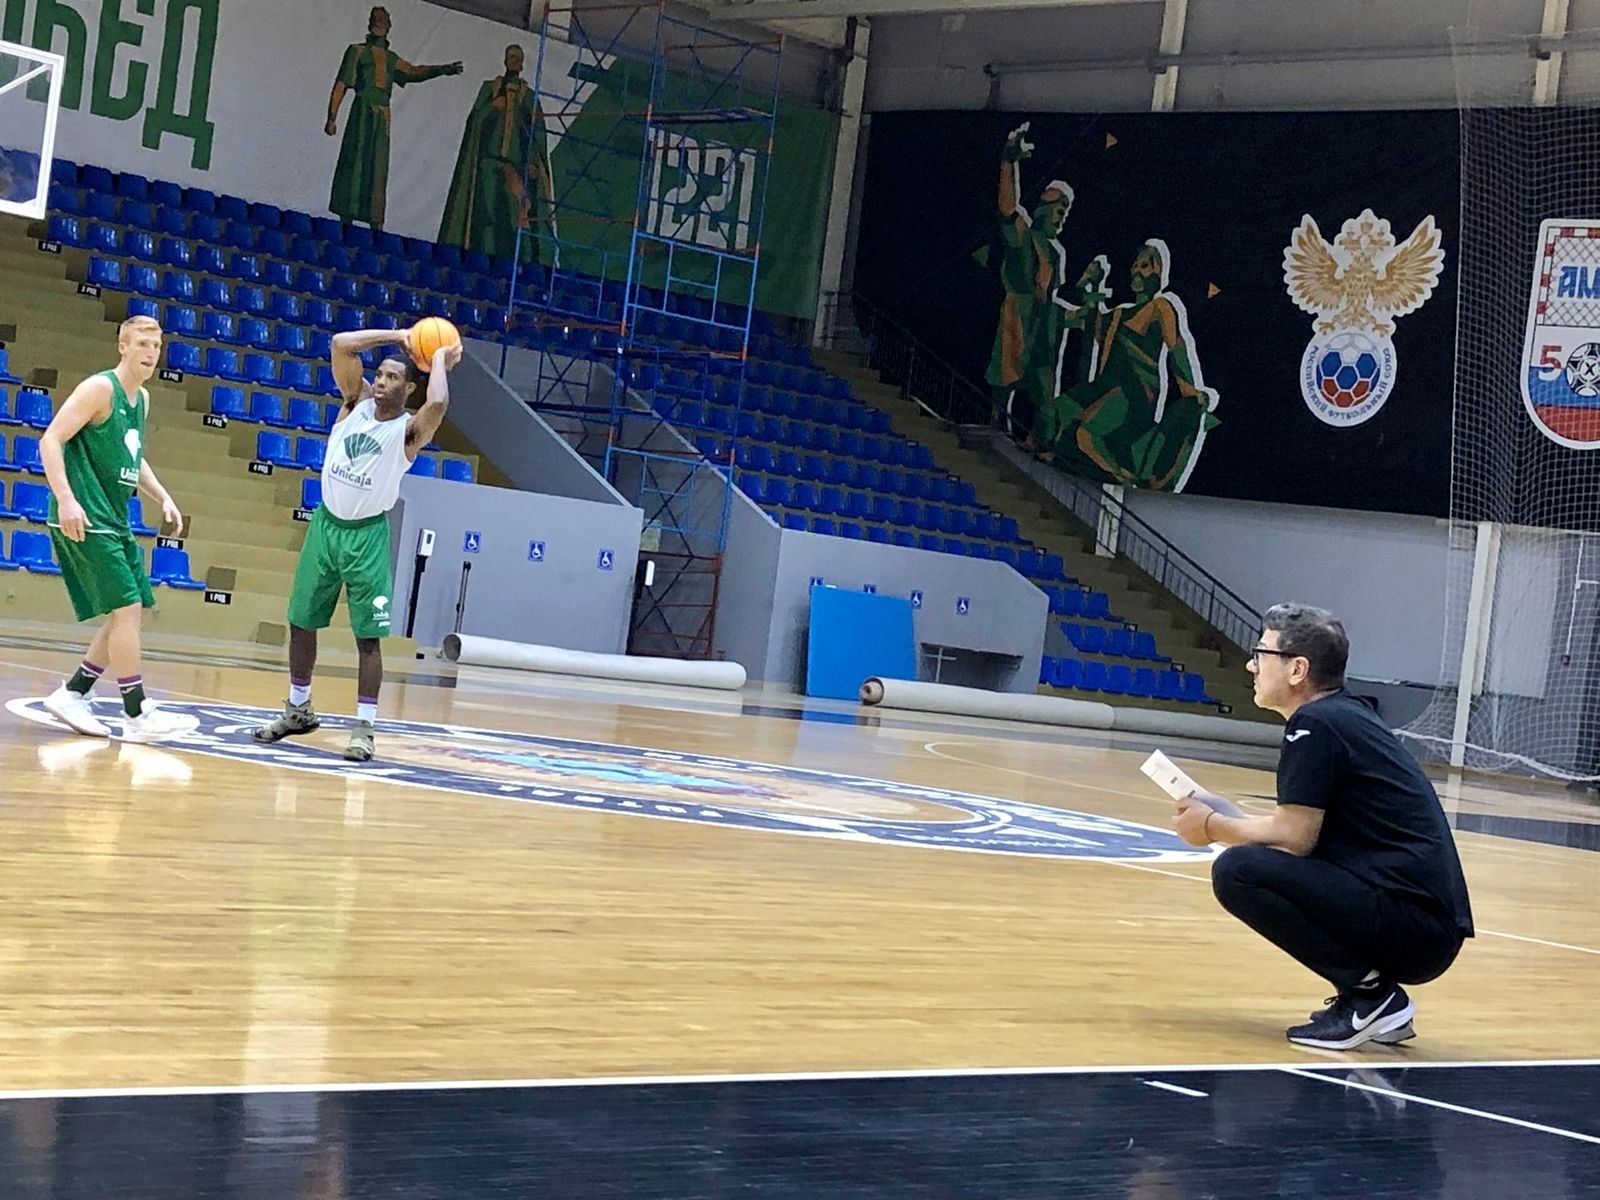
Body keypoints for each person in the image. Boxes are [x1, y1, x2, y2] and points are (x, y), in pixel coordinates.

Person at [1174, 603, 1474, 1050]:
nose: (1251, 664)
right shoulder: (1339, 716)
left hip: (1412, 926)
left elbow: (1293, 840)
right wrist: (1225, 816)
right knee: (1251, 860)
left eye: (1262, 653)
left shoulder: (1315, 725)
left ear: (1297, 669)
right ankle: (1374, 1002)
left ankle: (1371, 998)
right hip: (1419, 923)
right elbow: (1297, 836)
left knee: (1237, 871)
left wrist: (1215, 827)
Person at [252, 327, 461, 762]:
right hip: (325, 527)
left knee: (368, 639)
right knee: (301, 621)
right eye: (379, 374)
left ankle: (364, 727)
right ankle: (298, 709)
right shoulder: (354, 403)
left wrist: (438, 358)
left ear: (408, 388)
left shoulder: (408, 432)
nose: (381, 381)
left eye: (391, 377)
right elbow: (341, 344)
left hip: (366, 536)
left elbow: (438, 403)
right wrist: (401, 335)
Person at [37, 315, 190, 742]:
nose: (150, 352)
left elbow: (132, 454)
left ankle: (74, 693)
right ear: (122, 346)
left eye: (156, 346)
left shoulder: (141, 400)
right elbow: (50, 440)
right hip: (84, 514)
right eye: (142, 343)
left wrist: (163, 495)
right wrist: (67, 500)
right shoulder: (99, 388)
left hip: (114, 517)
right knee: (127, 610)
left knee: (131, 609)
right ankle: (136, 713)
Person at [327, 6, 463, 230]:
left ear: (389, 27)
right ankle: (346, 218)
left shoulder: (391, 59)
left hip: (382, 116)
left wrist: (442, 69)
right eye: (378, 19)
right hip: (362, 111)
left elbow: (413, 72)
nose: (381, 23)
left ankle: (375, 223)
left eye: (385, 20)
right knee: (354, 162)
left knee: (378, 167)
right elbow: (342, 84)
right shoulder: (357, 51)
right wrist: (332, 117)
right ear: (371, 24)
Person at [438, 44, 556, 263]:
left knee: (514, 216)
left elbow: (537, 135)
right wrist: (493, 107)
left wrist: (533, 163)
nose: (513, 61)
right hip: (488, 164)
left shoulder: (529, 97)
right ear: (505, 61)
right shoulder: (489, 89)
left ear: (521, 64)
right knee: (486, 215)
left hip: (517, 167)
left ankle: (512, 264)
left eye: (517, 58)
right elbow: (474, 122)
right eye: (510, 57)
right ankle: (480, 261)